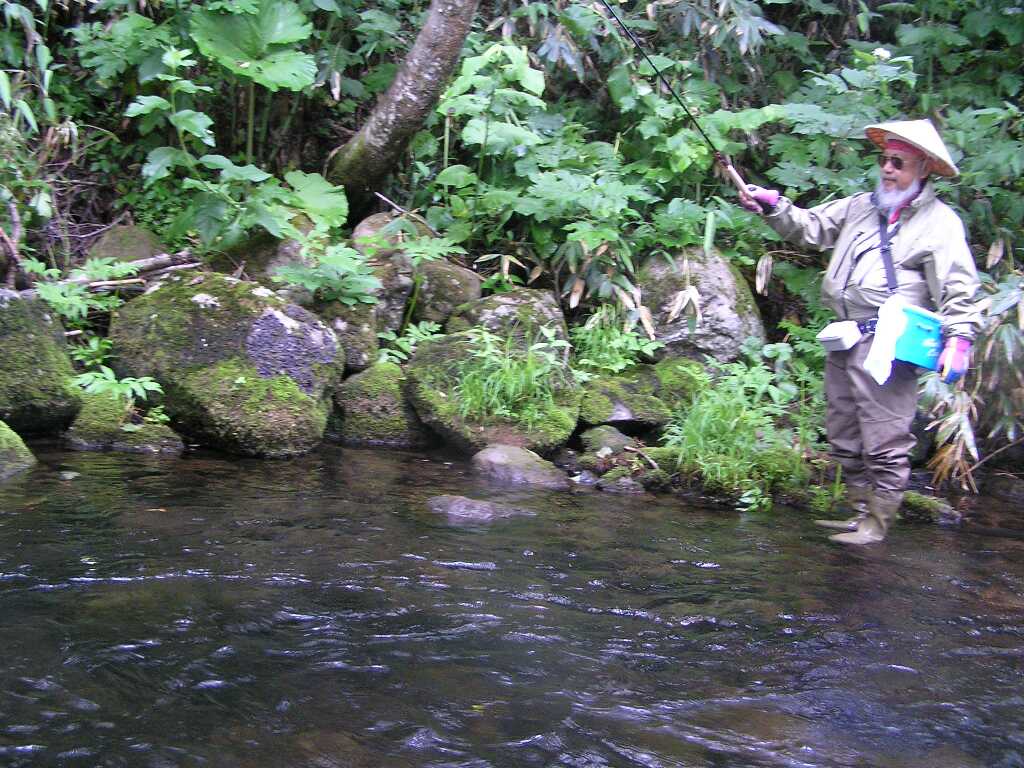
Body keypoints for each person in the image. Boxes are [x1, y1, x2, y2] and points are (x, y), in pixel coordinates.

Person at [741, 120, 982, 545]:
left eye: (897, 162)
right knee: (843, 431)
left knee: (885, 436)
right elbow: (811, 228)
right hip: (846, 335)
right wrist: (774, 206)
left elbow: (959, 286)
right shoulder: (860, 206)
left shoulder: (940, 224)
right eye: (883, 160)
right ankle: (858, 513)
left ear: (923, 168)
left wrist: (959, 340)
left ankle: (878, 523)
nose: (887, 169)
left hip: (891, 343)